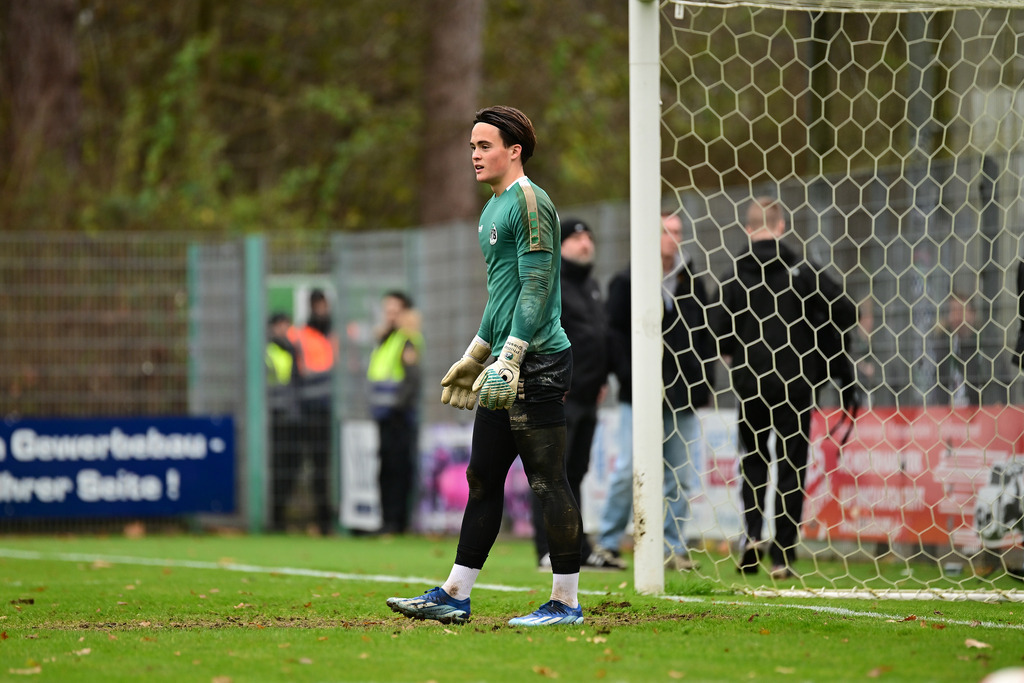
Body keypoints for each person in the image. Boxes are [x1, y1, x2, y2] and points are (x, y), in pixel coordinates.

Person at [386, 105, 585, 627]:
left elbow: (538, 289)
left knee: (547, 481)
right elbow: (503, 294)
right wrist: (478, 352)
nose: (474, 155)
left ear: (513, 150)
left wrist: (514, 354)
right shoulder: (493, 208)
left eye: (484, 146)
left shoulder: (530, 201)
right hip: (505, 360)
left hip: (537, 362)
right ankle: (455, 594)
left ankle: (566, 602)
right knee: (482, 477)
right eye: (472, 146)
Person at [709, 196, 851, 579]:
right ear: (782, 225)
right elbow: (846, 309)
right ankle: (784, 555)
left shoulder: (734, 273)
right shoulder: (802, 269)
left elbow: (715, 327)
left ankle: (753, 536)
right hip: (795, 382)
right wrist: (820, 344)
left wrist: (733, 352)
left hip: (750, 384)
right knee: (791, 466)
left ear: (746, 228)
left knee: (754, 461)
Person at [592, 212, 716, 572]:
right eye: (665, 231)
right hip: (639, 394)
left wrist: (704, 382)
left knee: (680, 474)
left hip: (684, 395)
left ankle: (673, 547)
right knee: (630, 467)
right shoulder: (627, 281)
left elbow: (704, 337)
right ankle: (608, 542)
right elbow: (611, 335)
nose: (672, 237)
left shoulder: (692, 282)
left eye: (677, 231)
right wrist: (627, 374)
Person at [530, 217, 613, 570]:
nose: (585, 244)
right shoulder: (553, 284)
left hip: (588, 397)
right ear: (561, 246)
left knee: (575, 474)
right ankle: (547, 549)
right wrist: (552, 380)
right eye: (577, 238)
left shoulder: (592, 286)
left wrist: (601, 380)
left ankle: (576, 548)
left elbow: (598, 337)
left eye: (589, 237)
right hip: (560, 396)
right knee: (551, 473)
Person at [367, 290, 423, 534]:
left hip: (399, 417)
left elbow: (411, 380)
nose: (389, 316)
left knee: (398, 468)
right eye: (386, 310)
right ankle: (388, 520)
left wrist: (397, 408)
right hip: (385, 416)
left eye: (395, 311)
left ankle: (395, 522)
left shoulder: (405, 340)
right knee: (387, 468)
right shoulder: (387, 340)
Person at [289, 288, 337, 535]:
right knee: (303, 464)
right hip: (308, 410)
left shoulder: (335, 334)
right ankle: (313, 520)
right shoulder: (299, 336)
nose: (321, 309)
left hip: (333, 411)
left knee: (324, 466)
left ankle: (326, 520)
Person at [266, 312, 301, 531]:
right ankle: (272, 517)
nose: (282, 330)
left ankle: (280, 516)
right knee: (275, 467)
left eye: (286, 325)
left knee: (290, 467)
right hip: (273, 418)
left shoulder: (292, 350)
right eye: (279, 325)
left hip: (291, 417)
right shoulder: (266, 351)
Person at [931, 291, 982, 408]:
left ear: (973, 314)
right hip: (946, 414)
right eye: (953, 311)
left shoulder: (985, 347)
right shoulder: (942, 345)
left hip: (978, 413)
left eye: (962, 310)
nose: (957, 316)